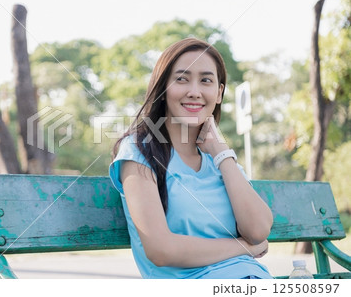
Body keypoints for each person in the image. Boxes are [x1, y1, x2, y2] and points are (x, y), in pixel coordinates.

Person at [109, 38, 274, 279]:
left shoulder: (220, 160)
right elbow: (161, 250)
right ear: (163, 88)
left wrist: (222, 154)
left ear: (219, 93)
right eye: (182, 79)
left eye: (206, 80)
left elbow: (258, 230)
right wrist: (245, 247)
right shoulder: (138, 151)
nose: (194, 92)